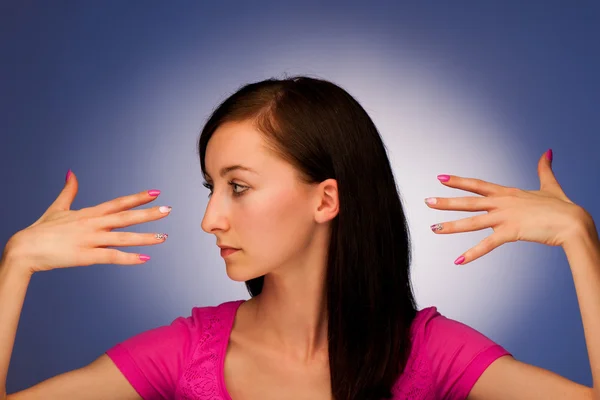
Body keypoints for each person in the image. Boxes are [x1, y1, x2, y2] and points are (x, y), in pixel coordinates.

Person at [0, 76, 598, 400]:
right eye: (210, 186)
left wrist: (579, 242)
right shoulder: (184, 356)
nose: (210, 219)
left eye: (237, 187)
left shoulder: (433, 355)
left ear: (326, 199)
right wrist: (16, 264)